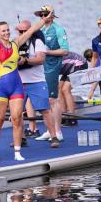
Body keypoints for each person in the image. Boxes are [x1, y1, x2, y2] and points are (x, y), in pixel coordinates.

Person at [0, 12, 55, 161]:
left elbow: (32, 30)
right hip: (1, 87)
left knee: (16, 119)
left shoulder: (16, 43)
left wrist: (44, 21)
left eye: (8, 30)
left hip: (16, 88)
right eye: (3, 31)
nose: (6, 32)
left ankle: (17, 152)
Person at [15, 19, 60, 148]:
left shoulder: (37, 42)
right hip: (19, 83)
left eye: (25, 31)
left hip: (37, 82)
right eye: (21, 31)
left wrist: (25, 60)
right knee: (17, 113)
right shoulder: (15, 43)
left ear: (31, 31)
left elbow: (41, 59)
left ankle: (54, 136)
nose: (23, 33)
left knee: (45, 110)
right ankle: (21, 138)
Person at [33, 5, 68, 142]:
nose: (43, 17)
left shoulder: (58, 29)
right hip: (40, 68)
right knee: (45, 100)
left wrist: (47, 52)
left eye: (45, 14)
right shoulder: (40, 29)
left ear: (52, 15)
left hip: (52, 67)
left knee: (53, 100)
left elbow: (65, 51)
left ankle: (58, 132)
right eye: (41, 15)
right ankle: (49, 130)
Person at [58, 51, 88, 126]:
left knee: (65, 89)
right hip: (69, 67)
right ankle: (64, 115)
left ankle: (72, 118)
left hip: (80, 64)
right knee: (58, 89)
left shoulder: (48, 61)